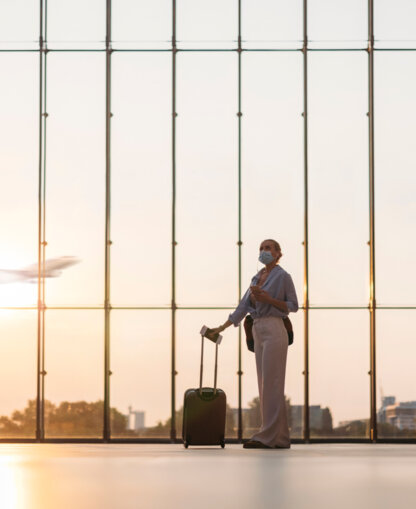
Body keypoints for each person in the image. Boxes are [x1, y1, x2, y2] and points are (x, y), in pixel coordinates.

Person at [210, 239, 298, 449]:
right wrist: (221, 327)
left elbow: (293, 306)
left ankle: (267, 436)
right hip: (258, 328)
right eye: (261, 248)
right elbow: (243, 306)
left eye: (268, 248)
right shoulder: (256, 278)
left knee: (272, 383)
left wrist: (268, 300)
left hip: (275, 327)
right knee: (265, 384)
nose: (264, 251)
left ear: (278, 254)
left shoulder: (283, 277)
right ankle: (279, 437)